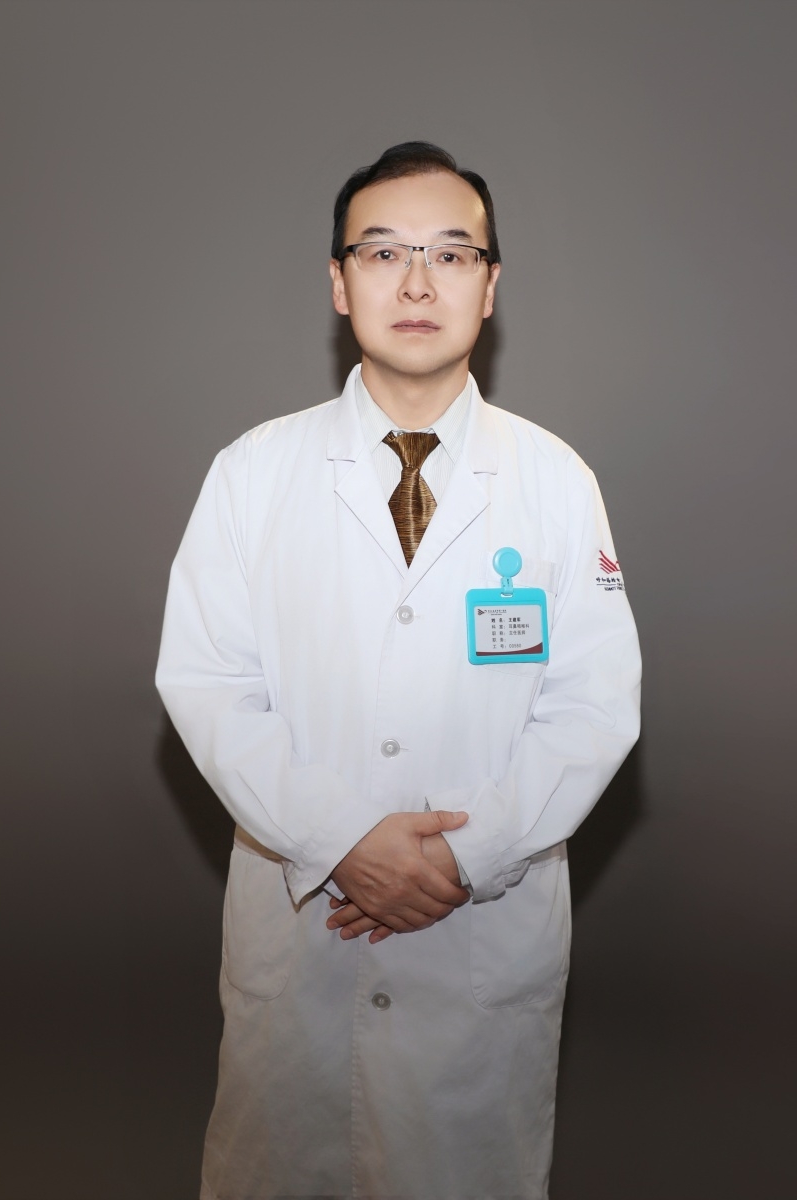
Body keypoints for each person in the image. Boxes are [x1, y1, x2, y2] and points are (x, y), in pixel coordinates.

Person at [156, 141, 641, 1200]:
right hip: (305, 929)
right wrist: (339, 840)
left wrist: (461, 861)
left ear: (489, 287)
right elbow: (207, 686)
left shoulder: (556, 480)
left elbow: (593, 707)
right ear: (339, 283)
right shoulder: (252, 473)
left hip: (480, 932)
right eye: (382, 252)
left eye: (451, 254)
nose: (417, 283)